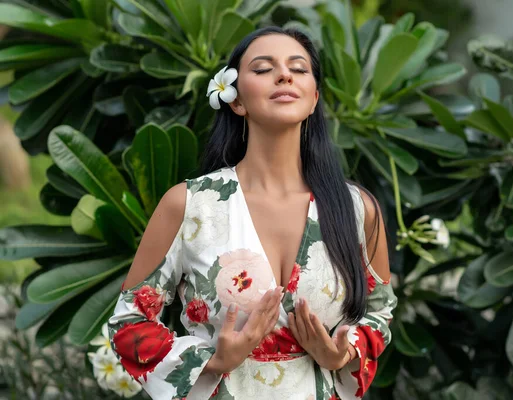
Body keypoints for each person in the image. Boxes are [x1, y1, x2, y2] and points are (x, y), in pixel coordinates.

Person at [108, 26, 398, 400]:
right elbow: (129, 321)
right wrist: (212, 359)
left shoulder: (357, 210)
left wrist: (341, 352)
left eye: (299, 68)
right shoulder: (190, 205)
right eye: (263, 69)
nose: (284, 75)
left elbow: (381, 312)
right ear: (236, 100)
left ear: (314, 99)